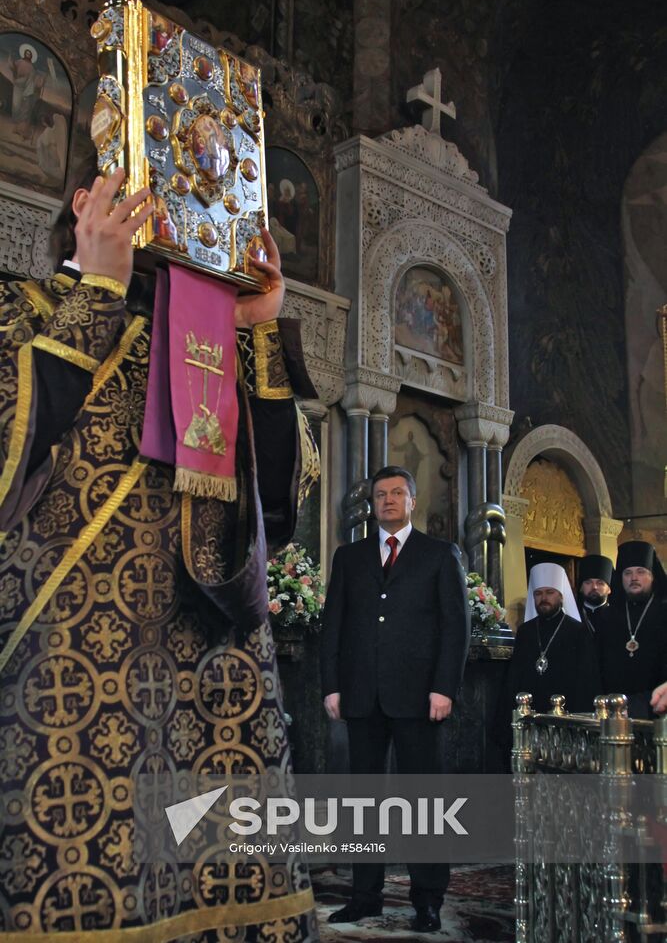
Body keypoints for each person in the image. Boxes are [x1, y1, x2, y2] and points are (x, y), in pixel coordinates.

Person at [0, 156, 320, 938]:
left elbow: (278, 502)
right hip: (70, 663)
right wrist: (99, 290)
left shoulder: (203, 341)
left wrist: (261, 331)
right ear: (88, 201)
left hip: (214, 671)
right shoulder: (21, 304)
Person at [320, 465, 469, 935]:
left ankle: (427, 900)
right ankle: (364, 898)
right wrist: (332, 685)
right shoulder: (349, 557)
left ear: (412, 501)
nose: (387, 500)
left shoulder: (440, 555)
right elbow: (334, 627)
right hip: (362, 696)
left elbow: (455, 628)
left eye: (396, 493)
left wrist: (444, 687)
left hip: (420, 699)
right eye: (380, 494)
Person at [497, 563, 601, 752]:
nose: (544, 598)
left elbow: (586, 679)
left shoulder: (578, 631)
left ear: (561, 596)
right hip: (529, 715)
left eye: (549, 592)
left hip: (564, 715)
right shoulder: (526, 631)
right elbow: (515, 675)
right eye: (538, 593)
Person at [597, 541, 667, 718]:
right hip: (614, 711)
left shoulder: (664, 613)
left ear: (652, 576)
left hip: (656, 709)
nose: (634, 578)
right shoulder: (607, 616)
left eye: (641, 572)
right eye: (627, 573)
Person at [577, 554, 614, 637]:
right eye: (588, 582)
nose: (594, 587)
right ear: (581, 588)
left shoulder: (618, 617)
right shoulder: (572, 616)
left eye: (600, 583)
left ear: (609, 589)